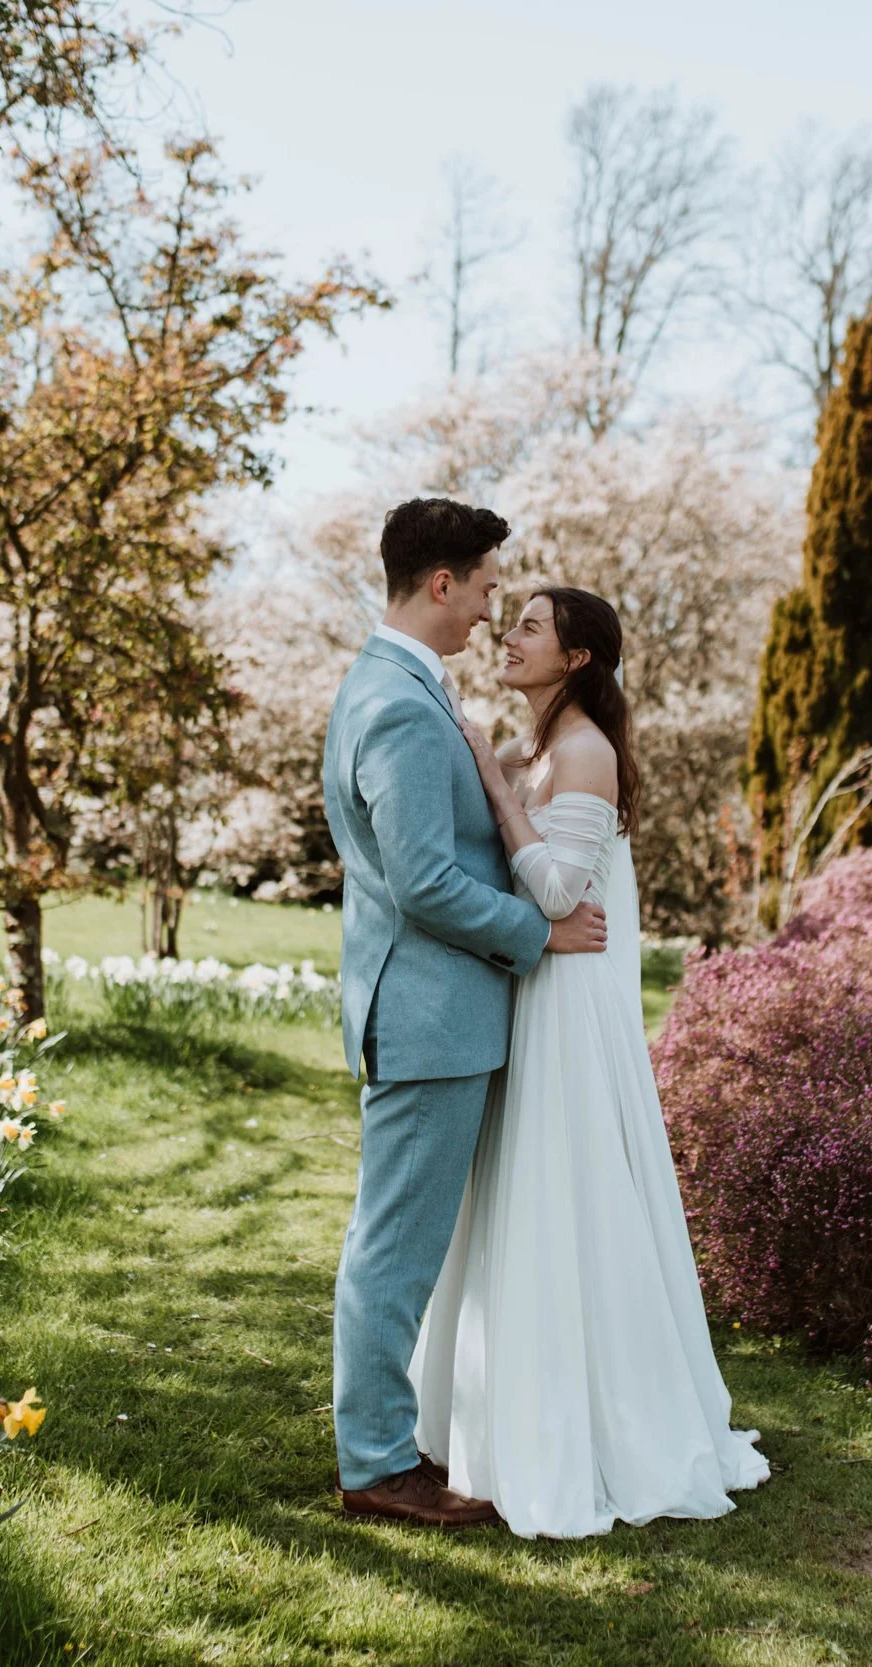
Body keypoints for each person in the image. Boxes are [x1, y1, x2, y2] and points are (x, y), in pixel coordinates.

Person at [414, 584, 769, 1538]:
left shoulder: (582, 752)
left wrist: (493, 783)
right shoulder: (551, 748)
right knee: (518, 1198)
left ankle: (583, 1426)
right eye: (514, 617)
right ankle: (494, 1403)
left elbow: (565, 888)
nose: (510, 635)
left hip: (566, 1011)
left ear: (575, 658)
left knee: (561, 1196)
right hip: (535, 989)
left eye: (531, 625)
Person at [320, 498, 610, 1528]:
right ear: (440, 583)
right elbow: (423, 880)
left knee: (406, 1240)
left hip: (436, 1010)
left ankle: (392, 1438)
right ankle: (377, 1464)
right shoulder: (397, 703)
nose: (495, 606)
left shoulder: (404, 686)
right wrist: (541, 934)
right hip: (427, 1013)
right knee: (393, 1246)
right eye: (488, 585)